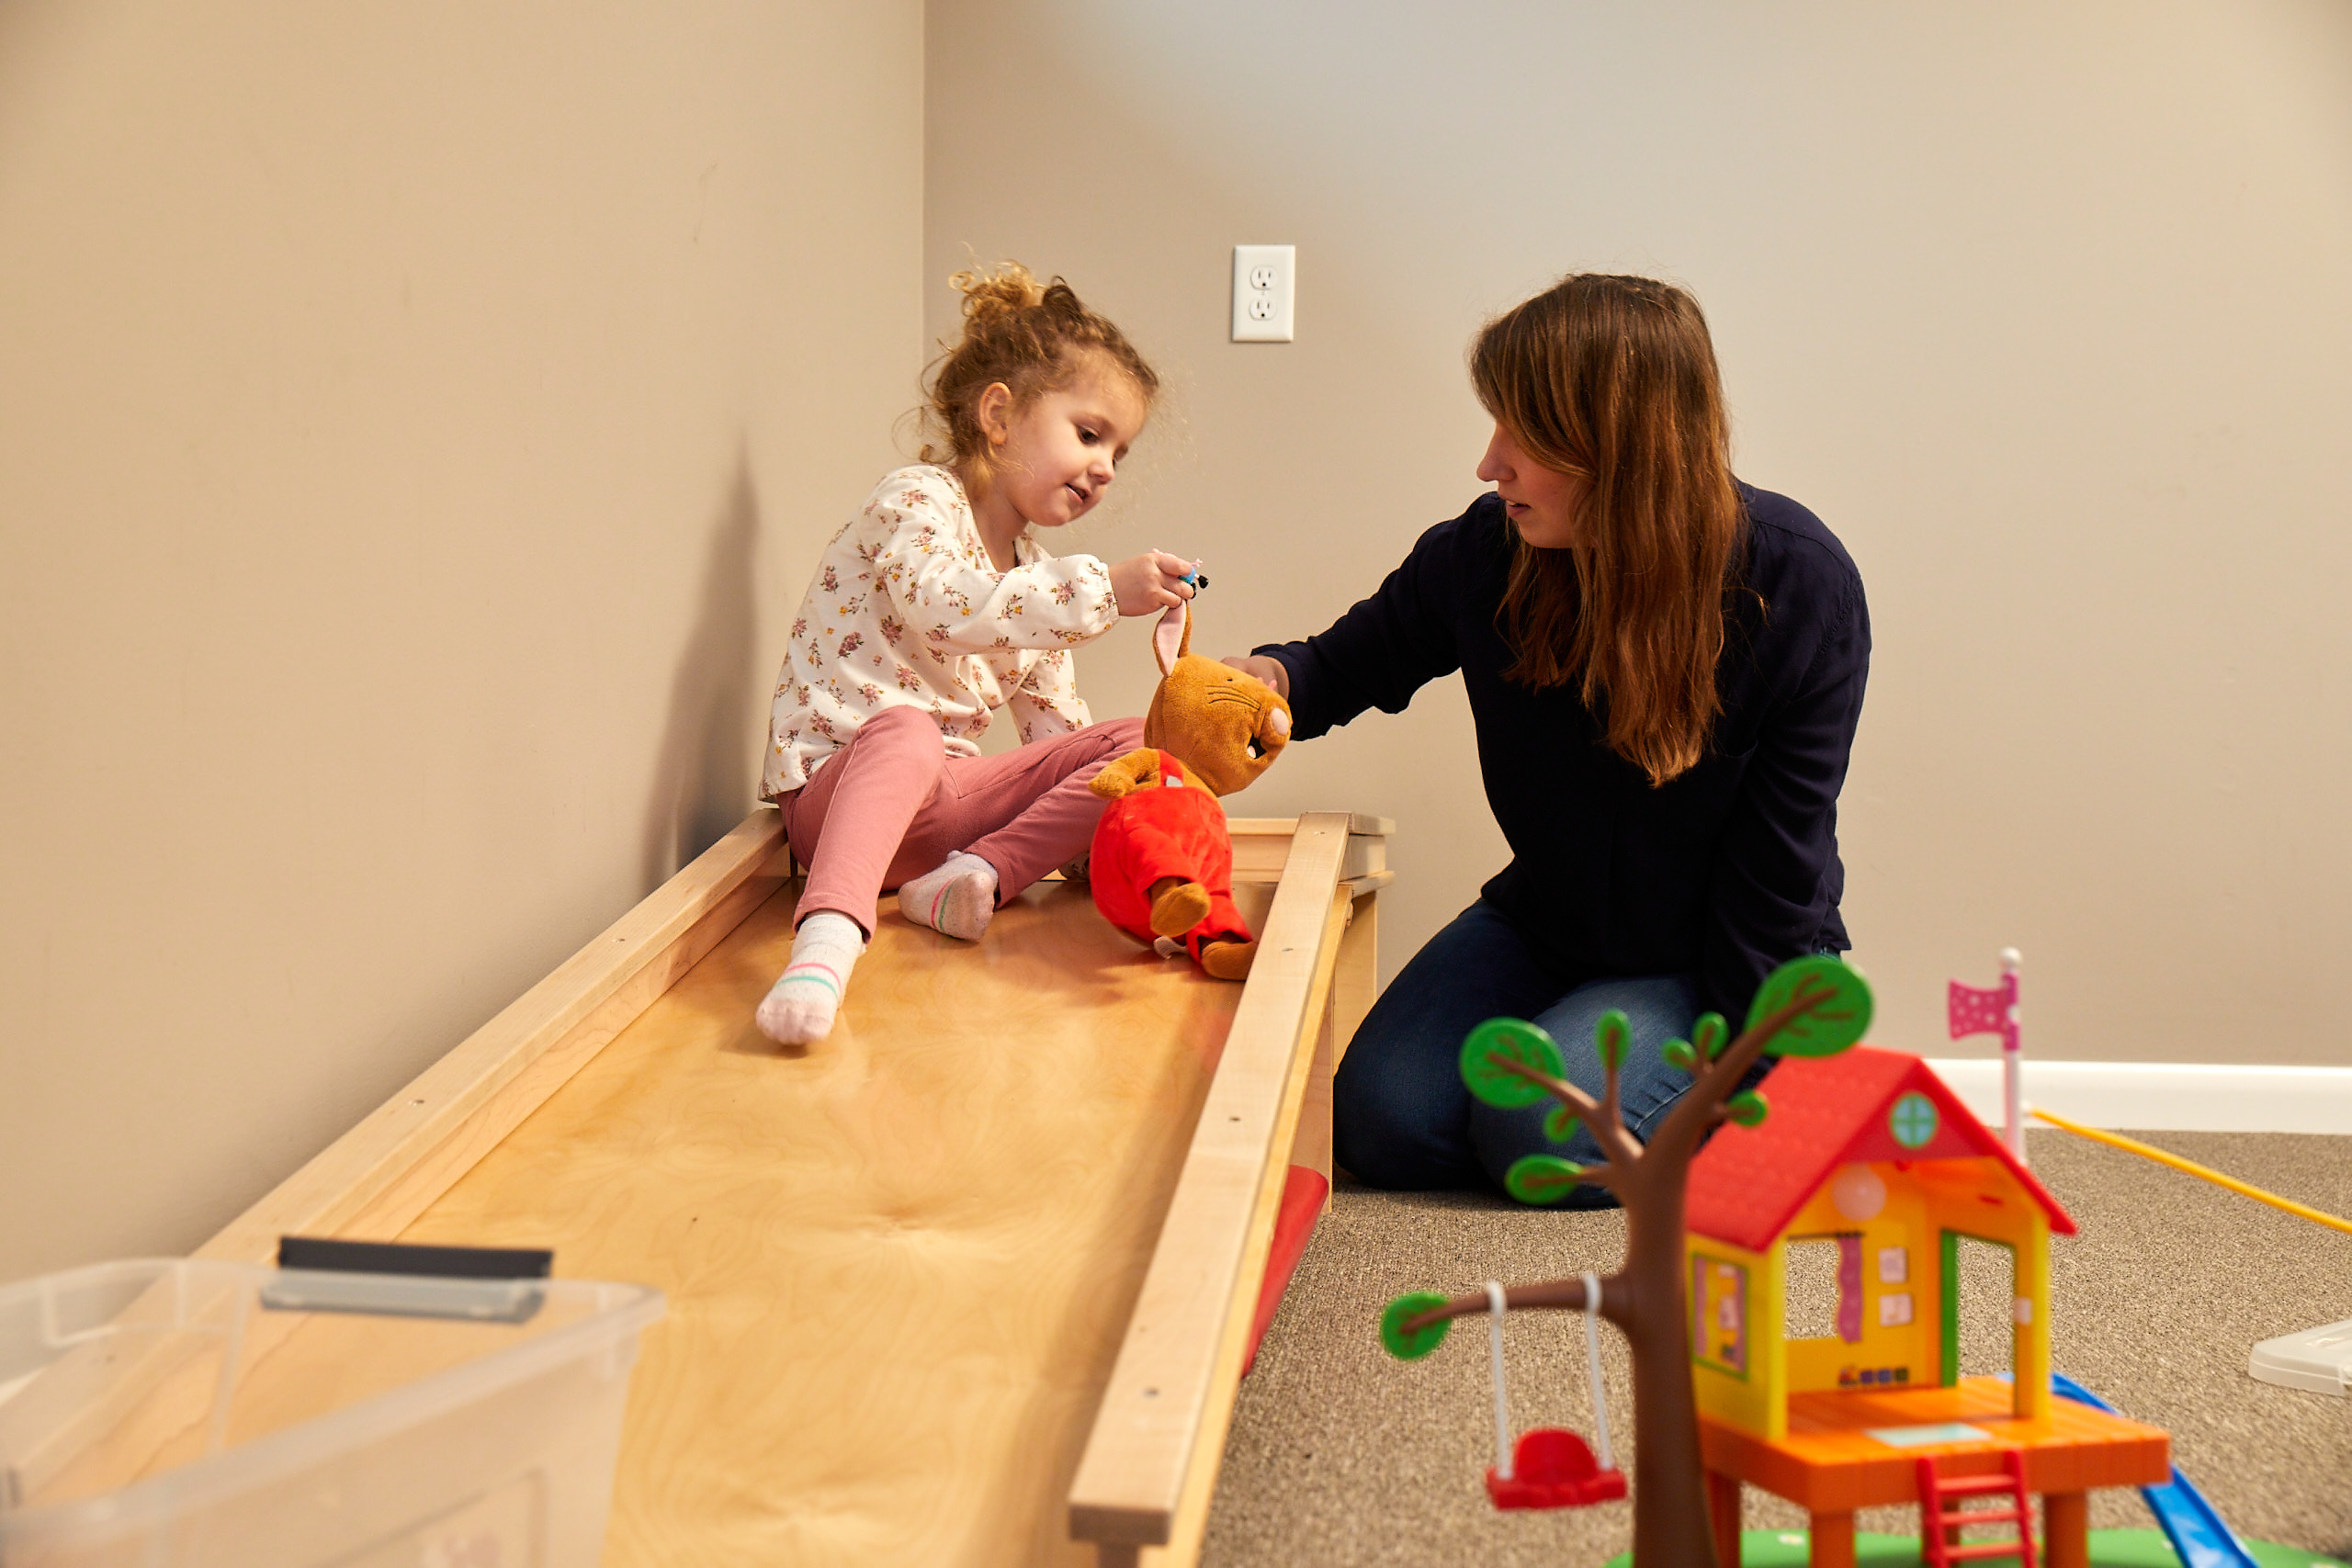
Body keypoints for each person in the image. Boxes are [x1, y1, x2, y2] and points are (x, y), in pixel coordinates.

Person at [1224, 274, 1869, 1203]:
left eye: (1520, 435)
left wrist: (1732, 1058)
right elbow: (1336, 668)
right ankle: (1586, 1056)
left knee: (1535, 1132)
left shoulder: (1795, 583)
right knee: (1379, 1120)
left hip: (1722, 952)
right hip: (1549, 922)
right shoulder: (1486, 552)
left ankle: (1762, 1081)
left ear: (1619, 446)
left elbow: (1777, 868)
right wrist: (1257, 685)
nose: (1490, 465)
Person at [755, 263, 1196, 1045]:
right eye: (1090, 434)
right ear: (999, 415)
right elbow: (944, 601)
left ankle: (973, 877)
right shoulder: (914, 500)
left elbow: (1056, 736)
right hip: (842, 798)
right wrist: (1101, 589)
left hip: (943, 816)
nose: (1104, 469)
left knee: (1135, 744)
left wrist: (1123, 862)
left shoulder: (1033, 574)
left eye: (1118, 453)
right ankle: (825, 942)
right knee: (908, 730)